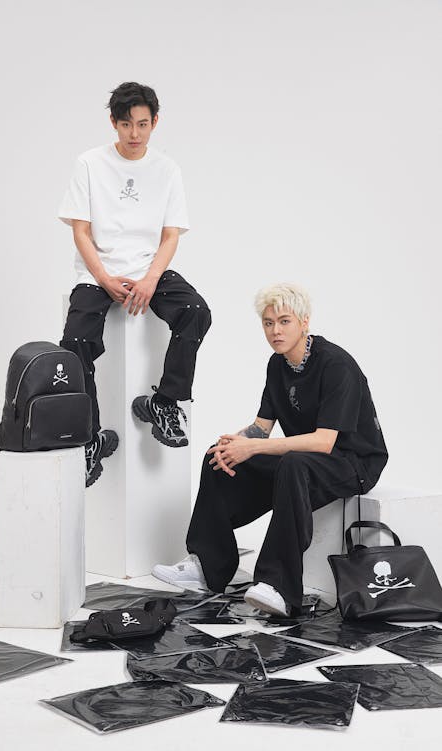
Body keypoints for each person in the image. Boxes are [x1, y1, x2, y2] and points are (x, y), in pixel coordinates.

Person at [152, 283, 388, 616]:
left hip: (353, 463)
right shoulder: (277, 364)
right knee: (217, 456)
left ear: (304, 322)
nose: (275, 331)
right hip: (304, 459)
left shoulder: (337, 365)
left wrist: (254, 447)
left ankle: (277, 586)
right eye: (268, 323)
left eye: (284, 321)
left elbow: (324, 441)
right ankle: (209, 566)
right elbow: (261, 428)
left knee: (292, 464)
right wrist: (237, 442)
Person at [59, 82, 211, 486]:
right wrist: (104, 278)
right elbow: (80, 231)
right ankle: (90, 438)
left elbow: (170, 236)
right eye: (126, 124)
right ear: (113, 122)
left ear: (155, 122)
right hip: (98, 272)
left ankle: (164, 402)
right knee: (75, 343)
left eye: (143, 124)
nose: (134, 134)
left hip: (149, 269)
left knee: (196, 312)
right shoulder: (89, 164)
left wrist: (149, 280)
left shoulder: (167, 170)